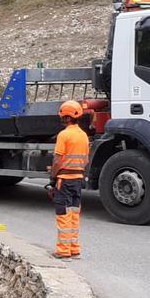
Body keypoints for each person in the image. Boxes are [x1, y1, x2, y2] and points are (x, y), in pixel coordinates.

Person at [50, 100, 89, 259]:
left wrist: (53, 177)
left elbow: (58, 160)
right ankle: (74, 248)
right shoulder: (84, 135)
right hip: (78, 179)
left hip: (64, 180)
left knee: (63, 214)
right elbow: (86, 159)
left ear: (65, 117)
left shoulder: (64, 135)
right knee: (73, 214)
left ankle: (63, 250)